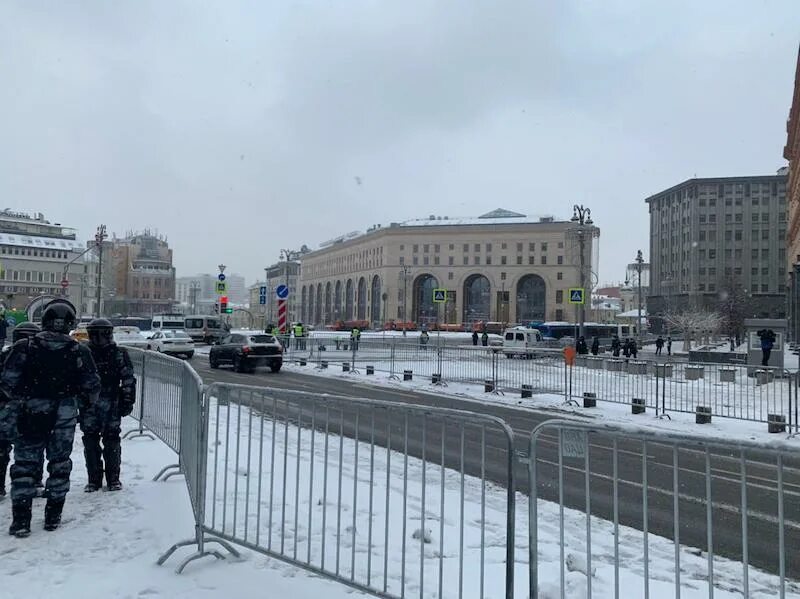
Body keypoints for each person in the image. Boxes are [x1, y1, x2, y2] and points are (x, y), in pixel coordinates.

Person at [2, 300, 100, 537]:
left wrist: (24, 399)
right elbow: (92, 386)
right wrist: (77, 405)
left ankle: (21, 520)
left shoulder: (25, 347)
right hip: (63, 418)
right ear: (69, 324)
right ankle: (52, 517)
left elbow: (7, 381)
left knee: (25, 466)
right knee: (59, 466)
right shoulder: (79, 350)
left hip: (30, 414)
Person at [81, 319, 136, 493]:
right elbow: (75, 380)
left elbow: (128, 379)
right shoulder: (84, 353)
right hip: (92, 404)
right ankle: (96, 479)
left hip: (110, 403)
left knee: (108, 441)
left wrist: (127, 400)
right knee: (93, 441)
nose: (99, 338)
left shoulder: (117, 353)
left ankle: (111, 479)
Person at [0, 322, 41, 499]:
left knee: (3, 449)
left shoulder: (7, 355)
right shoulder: (42, 356)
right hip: (31, 408)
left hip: (8, 408)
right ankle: (33, 482)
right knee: (32, 449)